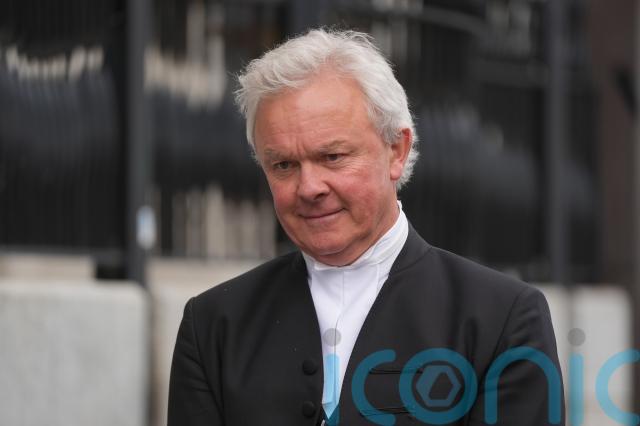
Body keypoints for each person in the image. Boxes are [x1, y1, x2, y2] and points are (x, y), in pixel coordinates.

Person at [168, 29, 564, 426]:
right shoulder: (213, 326)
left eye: (333, 156)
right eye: (284, 165)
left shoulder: (502, 320)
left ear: (396, 151)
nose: (309, 188)